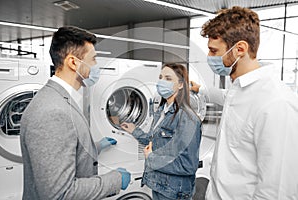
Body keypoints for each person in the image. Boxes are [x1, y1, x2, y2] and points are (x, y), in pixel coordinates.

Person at [197, 6, 298, 200]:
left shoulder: (276, 103)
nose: (209, 58)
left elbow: (278, 192)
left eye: (213, 51)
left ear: (240, 50)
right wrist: (197, 89)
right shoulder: (240, 89)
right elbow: (223, 96)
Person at [20, 26, 131, 199]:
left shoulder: (58, 98)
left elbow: (66, 145)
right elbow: (59, 194)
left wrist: (95, 147)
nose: (96, 66)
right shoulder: (52, 112)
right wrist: (114, 180)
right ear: (73, 62)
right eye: (93, 59)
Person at [120, 63, 202, 200]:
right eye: (160, 77)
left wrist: (152, 158)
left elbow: (188, 165)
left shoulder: (187, 118)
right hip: (159, 185)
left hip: (174, 191)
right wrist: (135, 131)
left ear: (181, 85)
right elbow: (155, 143)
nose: (161, 82)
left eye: (168, 78)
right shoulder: (162, 111)